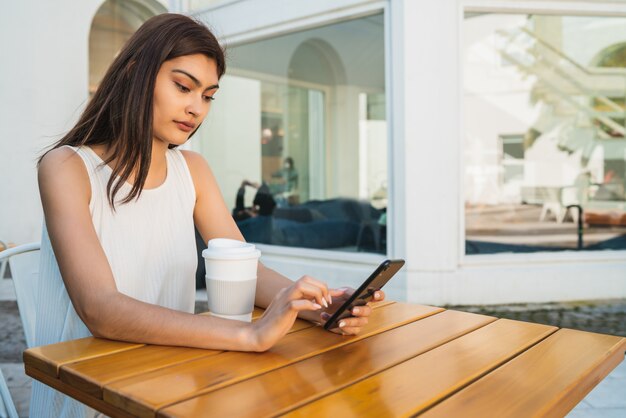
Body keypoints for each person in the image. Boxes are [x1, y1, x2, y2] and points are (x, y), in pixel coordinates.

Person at [34, 14, 384, 418]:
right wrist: (249, 333)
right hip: (90, 395)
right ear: (135, 74)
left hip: (171, 382)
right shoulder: (66, 167)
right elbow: (102, 309)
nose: (195, 108)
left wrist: (317, 307)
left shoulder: (192, 169)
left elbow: (242, 269)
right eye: (183, 86)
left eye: (208, 96)